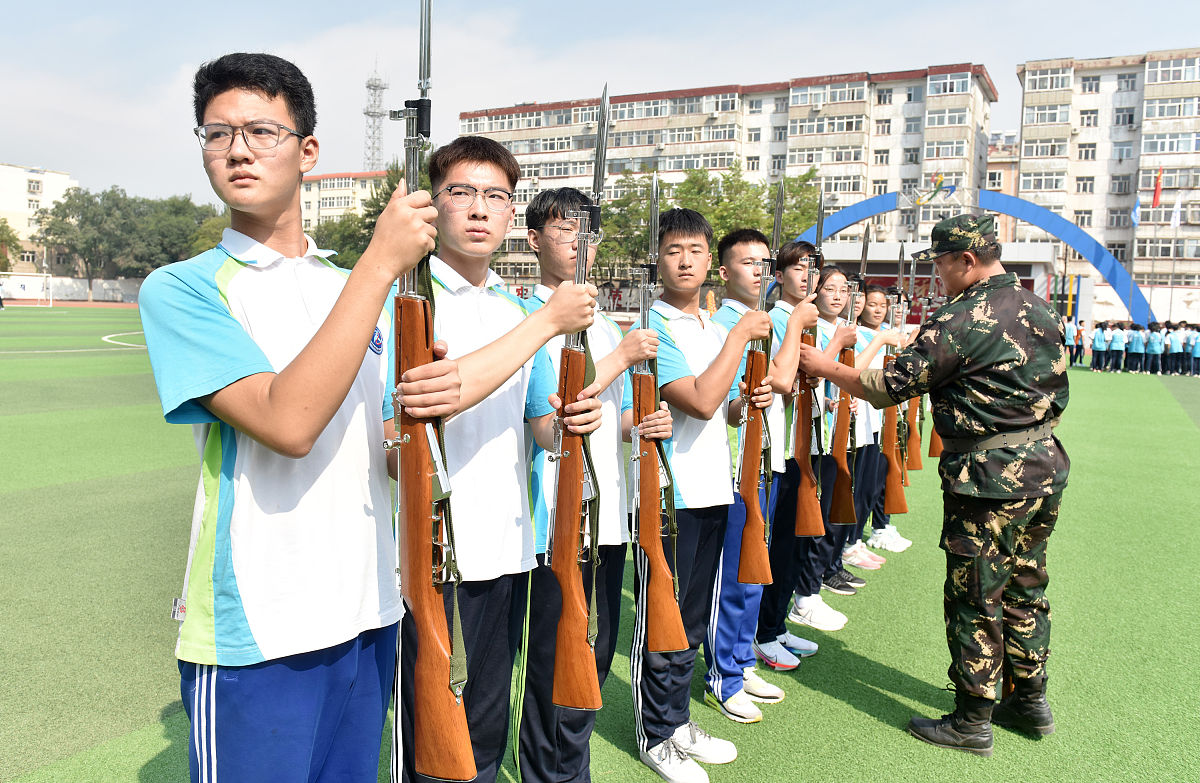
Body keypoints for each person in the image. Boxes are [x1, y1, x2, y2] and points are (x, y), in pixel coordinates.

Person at [138, 52, 451, 781]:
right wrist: (380, 264)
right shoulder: (183, 289)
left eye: (261, 130)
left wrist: (423, 417)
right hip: (263, 626)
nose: (237, 149)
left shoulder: (350, 288)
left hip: (368, 613)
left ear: (308, 151)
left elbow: (386, 453)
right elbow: (288, 422)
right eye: (216, 133)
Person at [798, 214, 1069, 757]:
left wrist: (823, 366)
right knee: (1025, 586)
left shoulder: (963, 316)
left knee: (975, 595)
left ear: (967, 260)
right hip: (1043, 469)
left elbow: (890, 385)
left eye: (941, 263)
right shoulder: (1036, 304)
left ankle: (972, 720)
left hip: (988, 480)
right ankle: (1031, 700)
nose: (937, 274)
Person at [394, 137, 603, 783]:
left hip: (508, 551)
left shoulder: (516, 309)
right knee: (431, 739)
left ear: (513, 215)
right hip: (429, 557)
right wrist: (544, 326)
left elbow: (540, 428)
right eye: (462, 192)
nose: (480, 209)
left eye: (496, 196)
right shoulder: (404, 301)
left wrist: (572, 420)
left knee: (484, 730)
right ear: (434, 203)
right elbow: (412, 420)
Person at [514, 186, 673, 783]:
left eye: (589, 232)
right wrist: (624, 355)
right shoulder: (530, 313)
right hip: (557, 517)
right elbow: (553, 418)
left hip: (609, 511)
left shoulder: (601, 321)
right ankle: (550, 773)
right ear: (534, 241)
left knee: (595, 653)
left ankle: (569, 768)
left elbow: (602, 415)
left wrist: (642, 422)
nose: (581, 242)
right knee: (559, 658)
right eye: (565, 230)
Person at [631, 208, 772, 783]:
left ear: (709, 259)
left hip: (713, 490)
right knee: (660, 619)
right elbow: (698, 400)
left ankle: (679, 718)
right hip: (670, 497)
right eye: (672, 250)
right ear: (658, 260)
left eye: (694, 249)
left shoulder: (711, 329)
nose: (685, 260)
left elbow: (724, 411)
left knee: (691, 620)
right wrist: (740, 338)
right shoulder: (653, 329)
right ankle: (654, 734)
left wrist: (750, 402)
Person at [702, 228, 799, 724]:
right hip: (736, 466)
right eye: (747, 262)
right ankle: (723, 673)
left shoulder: (760, 321)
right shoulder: (724, 325)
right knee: (734, 575)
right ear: (724, 271)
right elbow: (720, 404)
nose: (759, 270)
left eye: (765, 261)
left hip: (765, 460)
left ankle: (741, 660)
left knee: (755, 570)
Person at [753, 241, 849, 644]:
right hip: (785, 448)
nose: (807, 275)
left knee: (794, 543)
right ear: (779, 275)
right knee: (778, 545)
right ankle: (766, 629)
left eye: (813, 268)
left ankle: (777, 625)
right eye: (798, 267)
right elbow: (786, 381)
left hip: (808, 443)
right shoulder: (777, 319)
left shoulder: (805, 320)